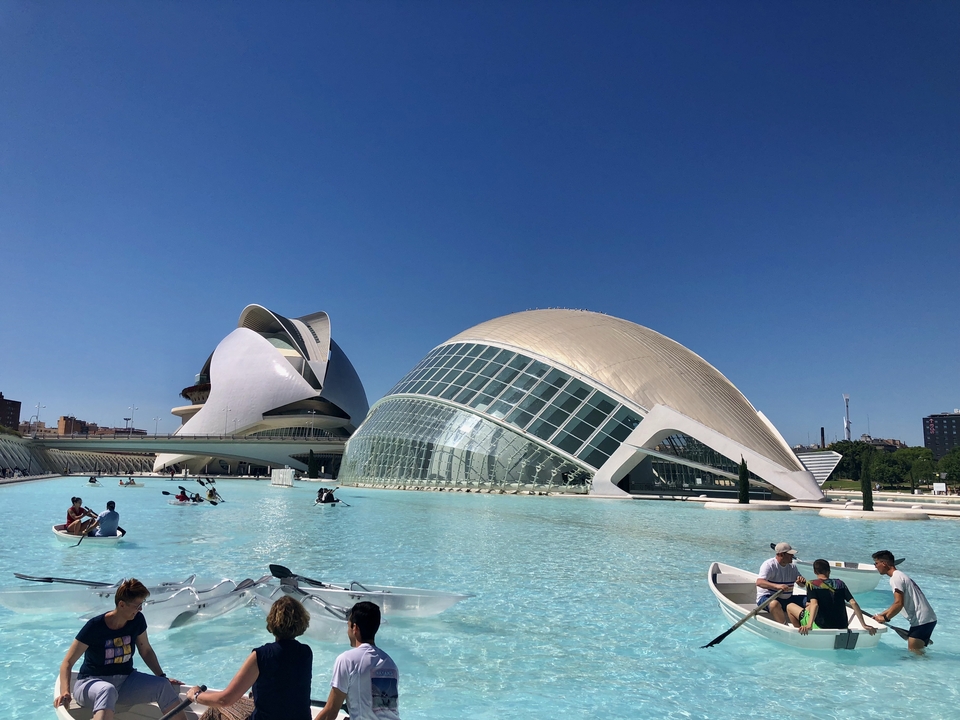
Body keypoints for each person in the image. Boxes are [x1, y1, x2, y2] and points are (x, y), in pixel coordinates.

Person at [53, 578, 188, 720]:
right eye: (137, 605)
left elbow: (146, 650)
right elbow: (67, 662)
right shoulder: (95, 626)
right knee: (107, 689)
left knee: (162, 686)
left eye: (142, 604)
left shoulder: (137, 620)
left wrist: (162, 676)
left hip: (125, 682)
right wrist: (66, 692)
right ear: (122, 605)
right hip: (89, 684)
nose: (140, 609)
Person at [187, 595, 313, 720]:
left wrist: (196, 695)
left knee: (215, 709)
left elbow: (224, 700)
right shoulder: (306, 653)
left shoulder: (261, 656)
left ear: (272, 622)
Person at [314, 601, 400, 720]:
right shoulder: (390, 664)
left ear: (355, 628)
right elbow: (381, 709)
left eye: (348, 626)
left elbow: (331, 712)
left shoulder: (347, 660)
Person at [871, 550, 937, 654]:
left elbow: (898, 604)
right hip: (927, 619)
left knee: (915, 656)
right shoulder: (900, 575)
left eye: (876, 563)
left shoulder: (895, 578)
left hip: (921, 621)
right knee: (918, 655)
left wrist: (885, 618)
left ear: (884, 563)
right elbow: (897, 604)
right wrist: (882, 614)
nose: (875, 566)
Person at [787, 559, 876, 635]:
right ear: (829, 571)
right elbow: (853, 603)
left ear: (815, 572)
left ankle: (802, 633)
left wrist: (809, 625)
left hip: (822, 627)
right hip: (843, 626)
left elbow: (815, 605)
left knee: (790, 606)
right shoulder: (840, 583)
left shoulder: (812, 584)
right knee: (808, 607)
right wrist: (863, 624)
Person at [755, 542, 806, 625]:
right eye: (790, 554)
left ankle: (808, 624)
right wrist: (776, 586)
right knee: (774, 604)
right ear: (781, 555)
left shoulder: (792, 567)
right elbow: (759, 582)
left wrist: (801, 582)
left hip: (787, 599)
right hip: (767, 598)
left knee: (811, 600)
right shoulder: (769, 565)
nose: (792, 557)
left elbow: (802, 585)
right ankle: (784, 626)